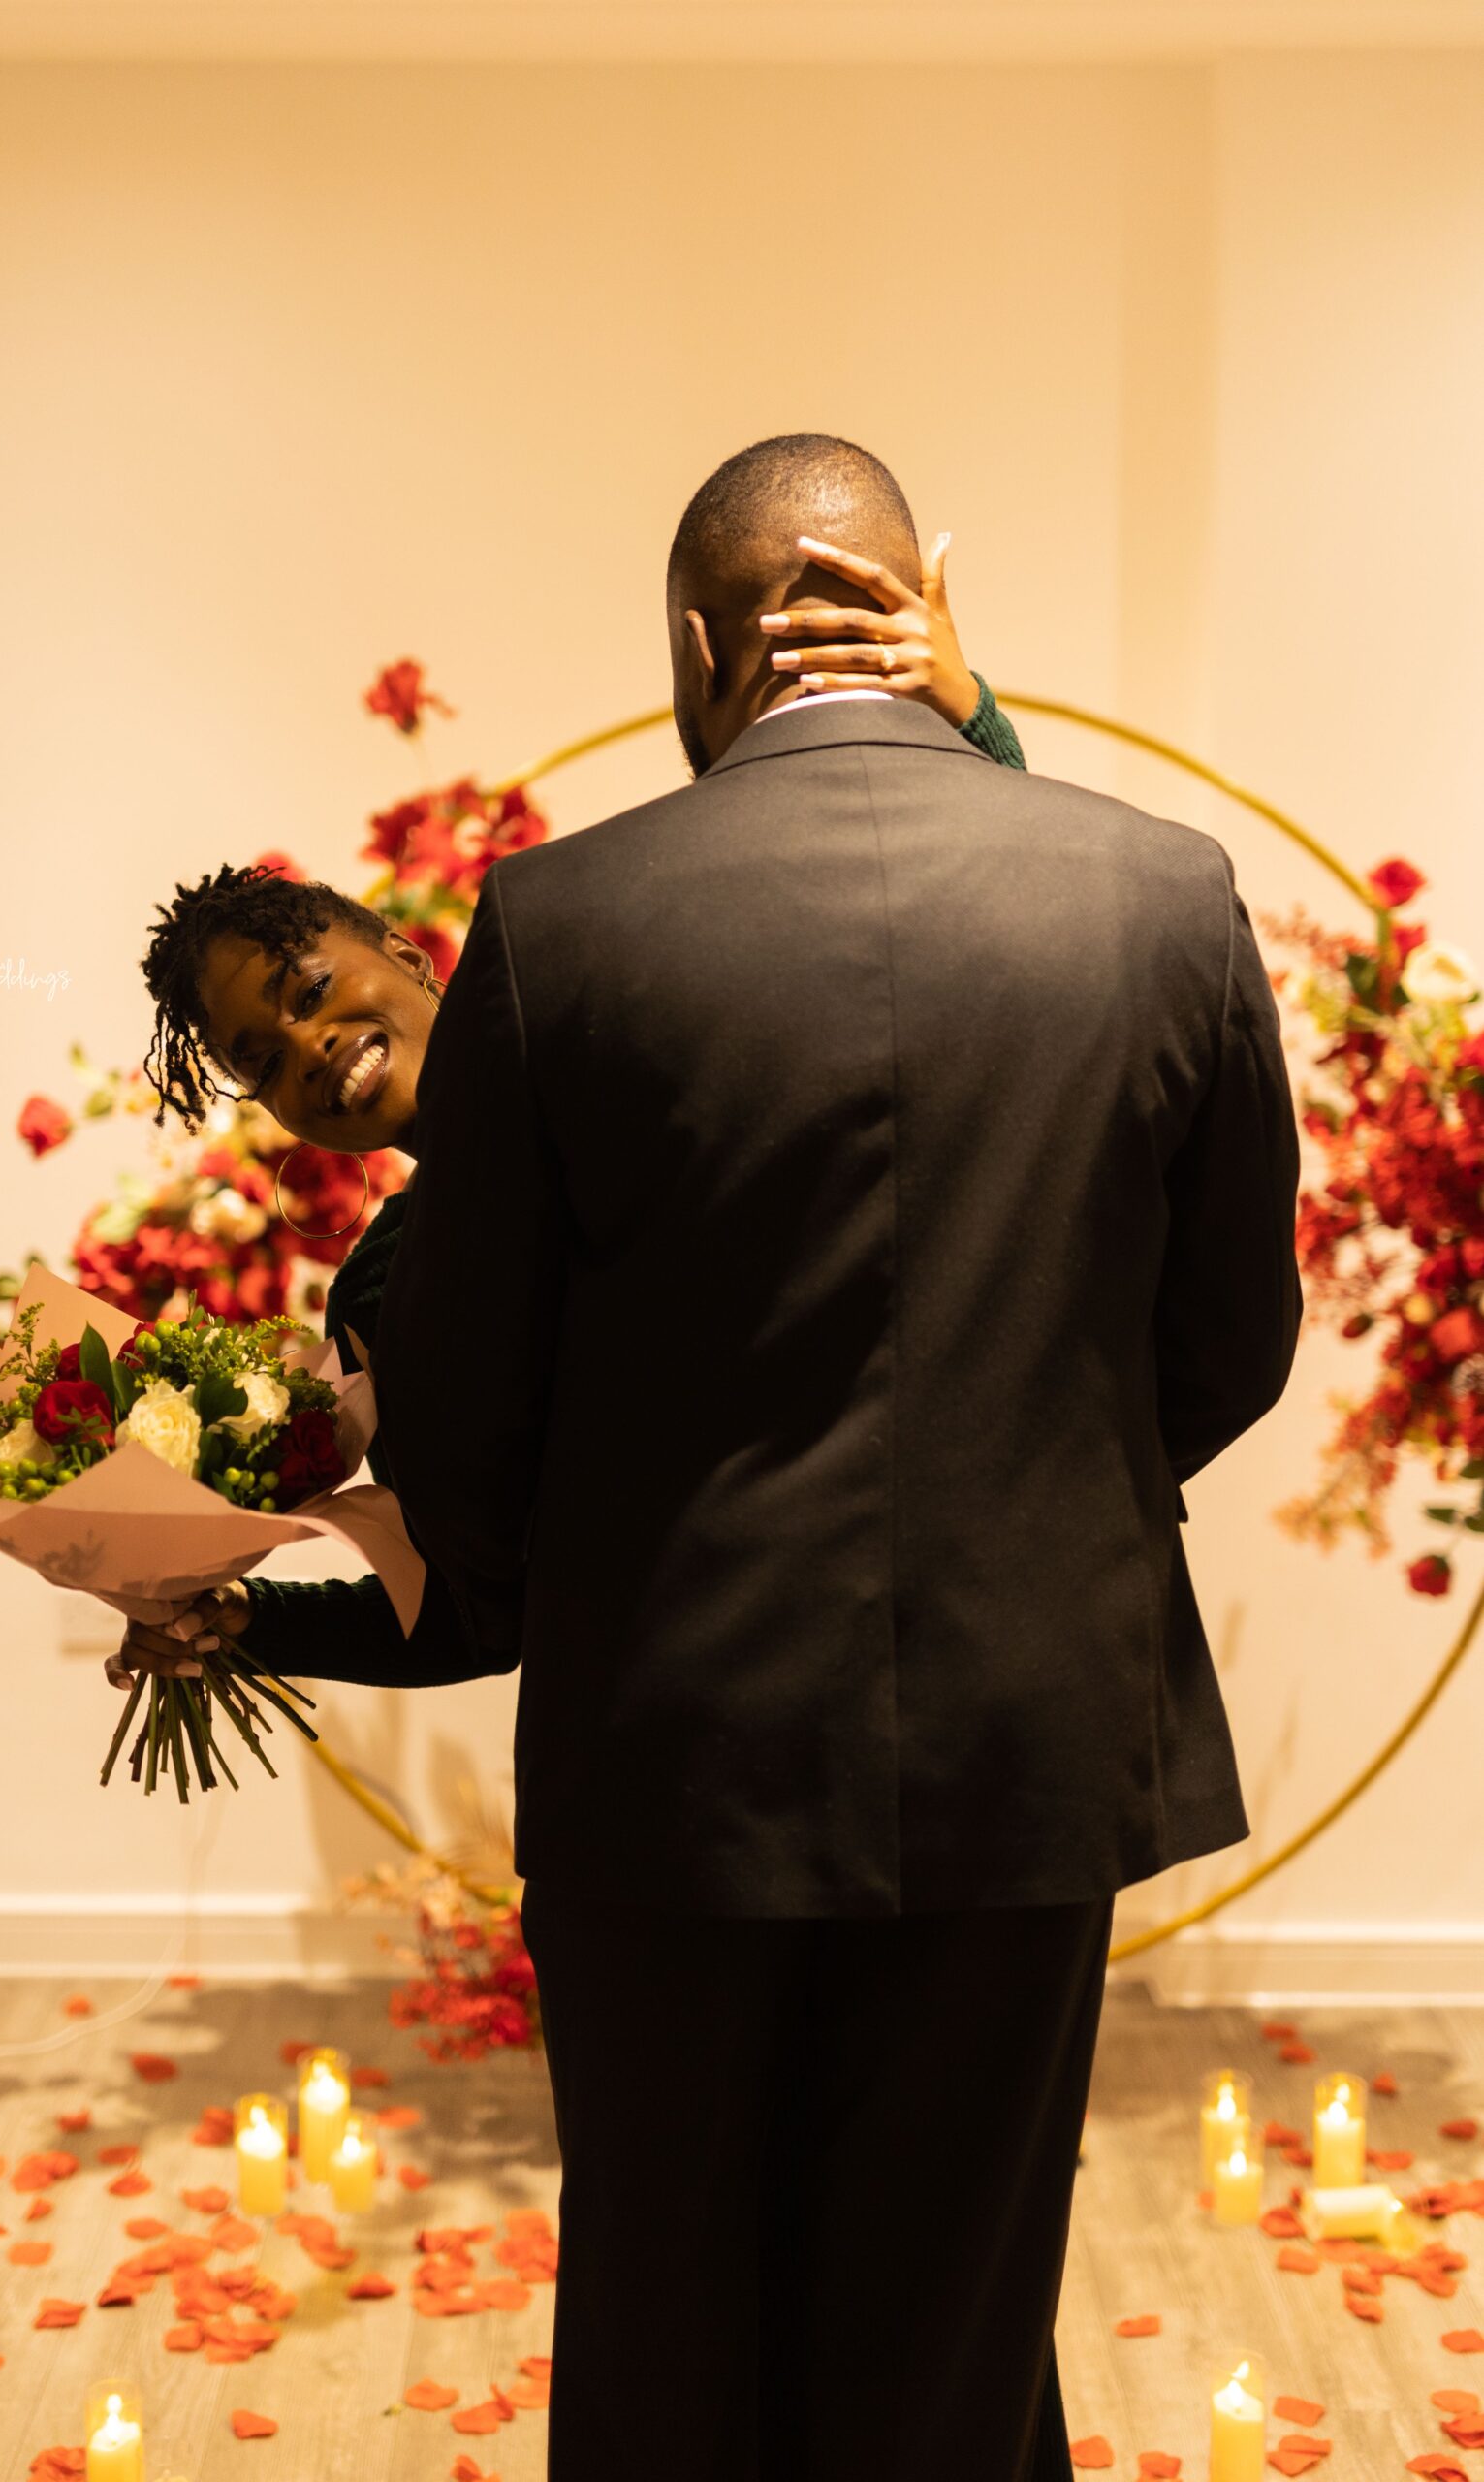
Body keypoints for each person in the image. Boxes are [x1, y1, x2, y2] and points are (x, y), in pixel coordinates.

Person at [369, 433, 1303, 2482]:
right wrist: (1034, 1489)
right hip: (1029, 1730)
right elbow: (1231, 1338)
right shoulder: (1160, 895)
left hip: (670, 1737)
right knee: (951, 2305)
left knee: (664, 2298)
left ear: (700, 648)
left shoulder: (555, 917)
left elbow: (463, 1406)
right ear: (923, 615)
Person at [110, 527, 1025, 1693]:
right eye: (262, 1059)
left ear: (405, 951)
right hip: (654, 1740)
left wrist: (963, 716)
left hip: (918, 1651)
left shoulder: (646, 1055)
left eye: (310, 991)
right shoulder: (380, 1293)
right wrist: (240, 1617)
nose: (309, 1047)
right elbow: (473, 1613)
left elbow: (949, 951)